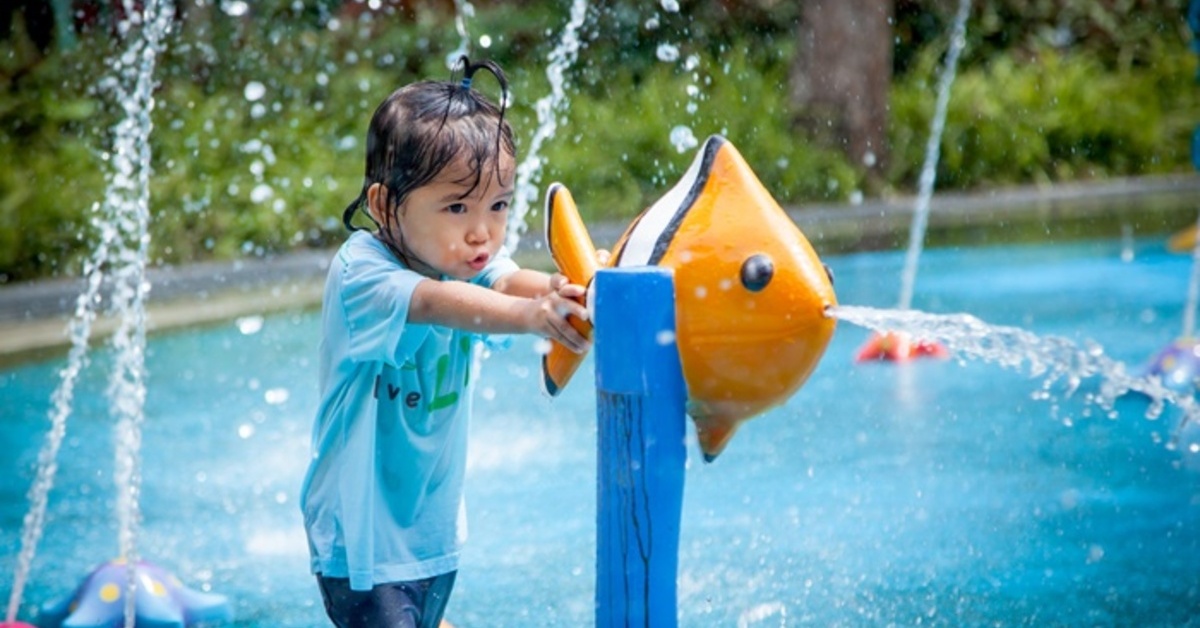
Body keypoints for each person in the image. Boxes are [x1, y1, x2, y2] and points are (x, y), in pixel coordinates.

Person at [299, 57, 591, 628]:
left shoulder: (460, 254)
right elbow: (440, 303)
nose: (481, 231)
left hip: (431, 534)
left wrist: (563, 290)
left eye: (498, 205)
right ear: (385, 206)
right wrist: (535, 315)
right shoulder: (364, 273)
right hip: (363, 540)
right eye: (457, 207)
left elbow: (507, 279)